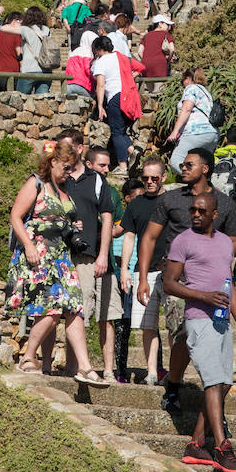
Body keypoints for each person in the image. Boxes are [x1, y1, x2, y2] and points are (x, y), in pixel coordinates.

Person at [138, 147, 236, 419]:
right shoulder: (170, 199)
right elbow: (149, 237)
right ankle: (174, 385)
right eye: (182, 164)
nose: (182, 168)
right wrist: (142, 278)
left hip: (212, 280)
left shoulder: (224, 204)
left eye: (189, 164)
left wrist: (211, 246)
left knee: (212, 338)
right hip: (176, 280)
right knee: (180, 335)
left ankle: (207, 396)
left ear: (205, 169)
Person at [5, 141, 108, 387]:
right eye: (66, 167)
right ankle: (28, 357)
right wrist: (29, 246)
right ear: (53, 162)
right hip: (39, 255)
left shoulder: (64, 190)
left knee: (75, 307)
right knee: (52, 311)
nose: (69, 172)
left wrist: (73, 228)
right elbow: (15, 216)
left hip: (61, 257)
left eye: (72, 168)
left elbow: (59, 220)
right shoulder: (36, 183)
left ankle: (84, 367)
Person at [163, 192, 236, 472]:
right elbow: (169, 283)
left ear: (215, 214)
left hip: (222, 321)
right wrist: (202, 296)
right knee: (213, 381)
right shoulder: (183, 241)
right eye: (193, 210)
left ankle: (196, 443)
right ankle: (222, 446)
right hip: (198, 319)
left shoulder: (226, 243)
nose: (196, 215)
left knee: (224, 383)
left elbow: (229, 285)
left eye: (202, 211)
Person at [41, 129, 113, 376]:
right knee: (51, 309)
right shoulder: (57, 177)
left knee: (77, 312)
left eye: (67, 148)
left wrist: (103, 254)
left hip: (85, 256)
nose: (63, 154)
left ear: (80, 149)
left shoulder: (96, 180)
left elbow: (107, 217)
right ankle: (46, 366)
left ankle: (74, 370)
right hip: (55, 254)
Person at [120, 156, 169, 386]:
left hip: (171, 271)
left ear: (164, 177)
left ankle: (174, 372)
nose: (149, 182)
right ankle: (152, 372)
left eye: (154, 178)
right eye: (145, 178)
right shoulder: (136, 204)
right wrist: (124, 269)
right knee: (147, 325)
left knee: (176, 325)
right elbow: (129, 237)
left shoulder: (173, 201)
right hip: (144, 272)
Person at [85, 146, 124, 381]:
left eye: (109, 165)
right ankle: (77, 365)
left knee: (107, 318)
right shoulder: (76, 189)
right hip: (81, 261)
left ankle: (108, 370)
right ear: (89, 165)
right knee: (77, 316)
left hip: (107, 263)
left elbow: (119, 226)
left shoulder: (111, 193)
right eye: (102, 165)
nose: (107, 170)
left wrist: (103, 235)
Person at [91, 36, 142, 175]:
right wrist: (130, 78)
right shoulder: (122, 57)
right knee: (121, 131)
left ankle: (122, 166)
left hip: (115, 98)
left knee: (116, 133)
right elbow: (141, 67)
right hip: (130, 98)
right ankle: (133, 151)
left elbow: (100, 85)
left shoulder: (102, 61)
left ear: (99, 49)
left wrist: (100, 106)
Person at [113, 178, 145, 382]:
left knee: (147, 325)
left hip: (140, 277)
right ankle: (120, 370)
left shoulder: (145, 223)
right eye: (136, 197)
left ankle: (157, 367)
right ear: (126, 199)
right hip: (121, 278)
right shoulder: (118, 226)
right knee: (122, 326)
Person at [168, 68, 220, 175]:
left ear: (187, 79)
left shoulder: (191, 88)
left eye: (183, 80)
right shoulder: (205, 91)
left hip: (195, 132)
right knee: (203, 164)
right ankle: (207, 186)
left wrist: (175, 131)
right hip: (212, 134)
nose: (183, 84)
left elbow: (186, 109)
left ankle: (198, 181)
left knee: (176, 161)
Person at [5, 6, 52, 96]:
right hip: (46, 70)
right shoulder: (47, 30)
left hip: (29, 70)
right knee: (42, 101)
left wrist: (17, 24)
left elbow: (3, 28)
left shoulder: (25, 29)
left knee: (20, 99)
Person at [0, 12, 23, 91]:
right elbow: (20, 55)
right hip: (10, 76)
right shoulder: (16, 36)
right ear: (14, 21)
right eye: (21, 24)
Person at [138, 14, 175, 80]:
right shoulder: (166, 34)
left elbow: (139, 52)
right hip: (160, 64)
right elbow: (172, 49)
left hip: (146, 64)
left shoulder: (146, 35)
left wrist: (146, 59)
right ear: (160, 24)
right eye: (167, 24)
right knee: (159, 88)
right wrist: (168, 59)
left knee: (149, 88)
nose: (169, 27)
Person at [65, 30, 96, 97]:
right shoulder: (88, 53)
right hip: (83, 85)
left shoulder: (74, 52)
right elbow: (88, 70)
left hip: (69, 84)